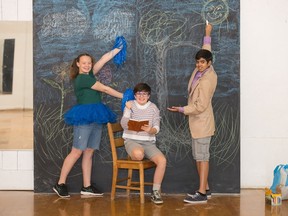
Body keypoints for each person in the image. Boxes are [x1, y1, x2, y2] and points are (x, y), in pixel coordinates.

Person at [53, 38, 126, 198]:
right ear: (78, 64)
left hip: (96, 116)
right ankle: (60, 183)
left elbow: (103, 59)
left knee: (89, 151)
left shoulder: (90, 74)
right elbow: (105, 89)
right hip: (85, 117)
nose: (87, 65)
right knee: (77, 151)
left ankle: (86, 187)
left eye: (89, 63)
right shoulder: (83, 78)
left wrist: (118, 49)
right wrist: (126, 97)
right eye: (83, 63)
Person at [168, 23, 217, 204]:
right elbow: (206, 50)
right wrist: (207, 34)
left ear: (209, 63)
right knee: (198, 157)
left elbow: (200, 106)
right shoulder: (201, 69)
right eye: (197, 62)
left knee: (202, 158)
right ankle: (206, 188)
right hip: (197, 124)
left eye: (202, 62)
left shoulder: (207, 80)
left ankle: (202, 193)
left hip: (202, 122)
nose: (199, 64)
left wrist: (182, 109)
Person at [120, 83, 167, 204]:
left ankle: (155, 192)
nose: (141, 96)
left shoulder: (153, 108)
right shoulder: (130, 105)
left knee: (162, 161)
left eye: (144, 94)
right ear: (135, 95)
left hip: (148, 143)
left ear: (149, 95)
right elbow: (123, 125)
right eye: (139, 94)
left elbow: (157, 126)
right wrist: (128, 110)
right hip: (132, 140)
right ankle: (139, 152)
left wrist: (151, 130)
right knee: (139, 154)